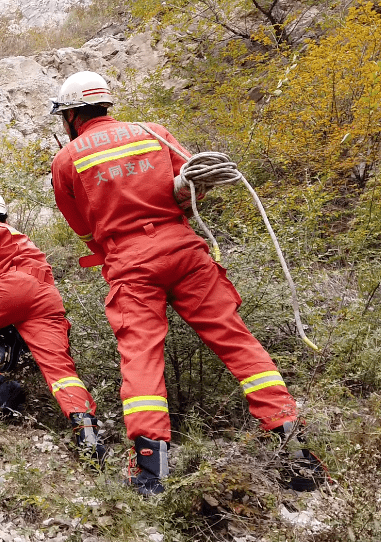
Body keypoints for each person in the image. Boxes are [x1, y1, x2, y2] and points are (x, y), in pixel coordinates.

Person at [49, 70, 325, 495]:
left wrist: (112, 244)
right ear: (104, 104)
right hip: (184, 250)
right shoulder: (151, 132)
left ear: (70, 116)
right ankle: (295, 448)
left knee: (140, 356)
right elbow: (193, 188)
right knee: (238, 343)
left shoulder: (67, 160)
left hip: (129, 263)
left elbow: (82, 227)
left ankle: (150, 469)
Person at [0, 190, 106, 466]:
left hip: (15, 287)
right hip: (47, 294)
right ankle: (88, 435)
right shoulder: (20, 237)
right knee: (60, 369)